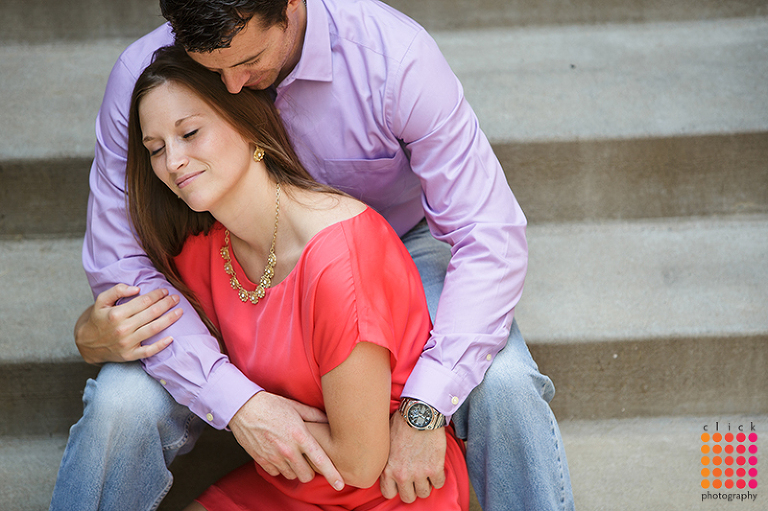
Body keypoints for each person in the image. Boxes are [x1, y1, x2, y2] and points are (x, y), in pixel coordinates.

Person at [51, 1, 573, 510]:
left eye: (248, 61)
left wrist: (427, 404)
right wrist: (235, 400)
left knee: (505, 384)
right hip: (239, 260)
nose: (232, 87)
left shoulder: (394, 56)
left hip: (397, 245)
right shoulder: (145, 72)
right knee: (121, 405)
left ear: (291, 5)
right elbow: (125, 265)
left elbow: (489, 233)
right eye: (211, 70)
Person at [121, 44, 469, 510]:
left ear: (248, 125)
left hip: (393, 488)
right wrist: (92, 337)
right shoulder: (205, 249)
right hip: (289, 482)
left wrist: (251, 416)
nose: (173, 161)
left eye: (190, 133)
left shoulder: (339, 257)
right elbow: (140, 321)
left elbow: (360, 460)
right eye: (156, 149)